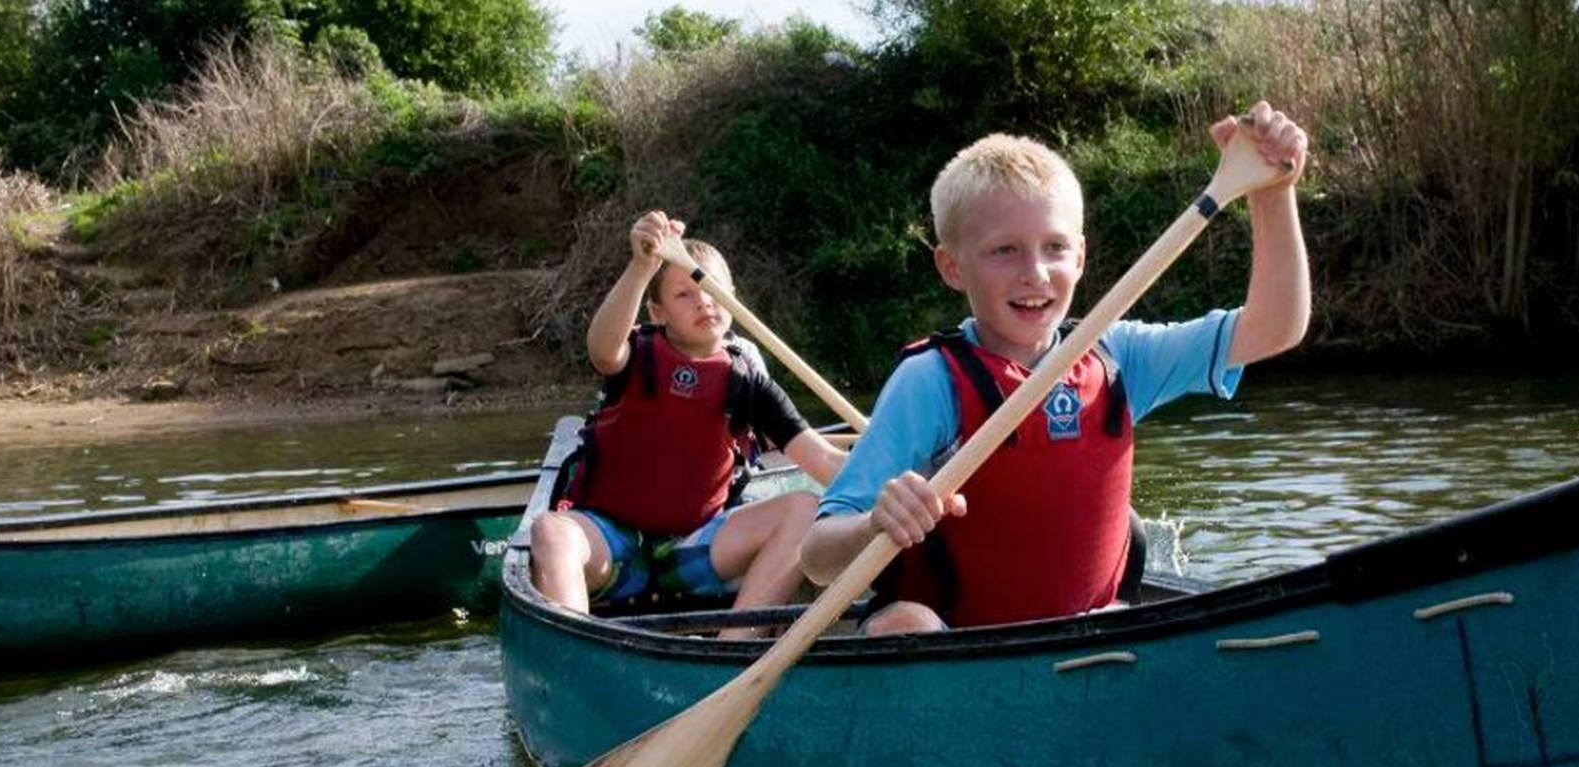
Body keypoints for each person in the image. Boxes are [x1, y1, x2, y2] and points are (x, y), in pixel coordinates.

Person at [800, 104, 1309, 633]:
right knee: (904, 622)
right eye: (1005, 251)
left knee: (1125, 612)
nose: (1035, 273)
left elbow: (1275, 328)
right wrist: (875, 524)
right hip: (955, 651)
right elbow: (817, 561)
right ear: (953, 267)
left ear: (1081, 257)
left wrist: (1272, 195)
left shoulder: (1117, 355)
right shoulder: (930, 381)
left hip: (1085, 645)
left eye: (1055, 248)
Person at [531, 211, 847, 637]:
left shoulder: (746, 378)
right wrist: (642, 265)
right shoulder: (637, 354)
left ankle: (734, 648)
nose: (704, 301)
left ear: (733, 298)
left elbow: (820, 458)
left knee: (805, 508)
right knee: (551, 531)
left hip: (697, 546)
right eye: (685, 294)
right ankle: (577, 648)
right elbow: (602, 350)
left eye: (712, 289)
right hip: (612, 543)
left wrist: (893, 486)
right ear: (658, 311)